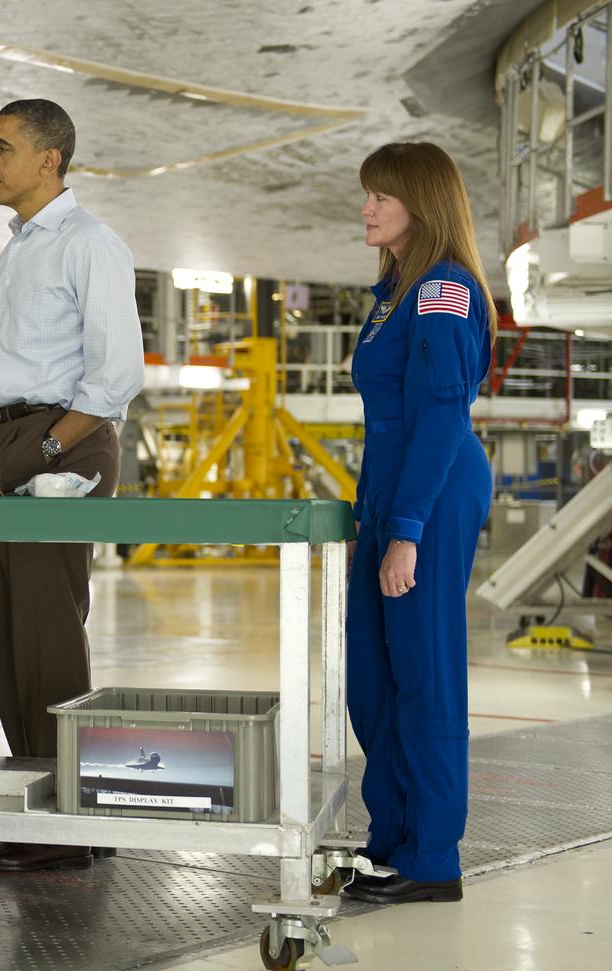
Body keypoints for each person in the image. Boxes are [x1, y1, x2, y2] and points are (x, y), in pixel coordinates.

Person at [0, 100, 144, 873]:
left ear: (51, 160)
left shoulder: (88, 244)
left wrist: (41, 448)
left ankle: (74, 821)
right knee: (8, 640)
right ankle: (42, 809)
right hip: (12, 437)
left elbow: (115, 377)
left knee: (48, 637)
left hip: (61, 442)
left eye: (3, 147)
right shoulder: (18, 248)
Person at [342, 142, 494, 905]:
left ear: (421, 205)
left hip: (431, 494)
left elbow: (439, 414)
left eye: (381, 196)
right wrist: (370, 512)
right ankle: (390, 837)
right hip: (392, 493)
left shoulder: (444, 289)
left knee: (424, 674)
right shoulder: (393, 291)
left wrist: (404, 527)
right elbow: (389, 422)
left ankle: (431, 855)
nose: (366, 207)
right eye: (367, 194)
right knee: (372, 677)